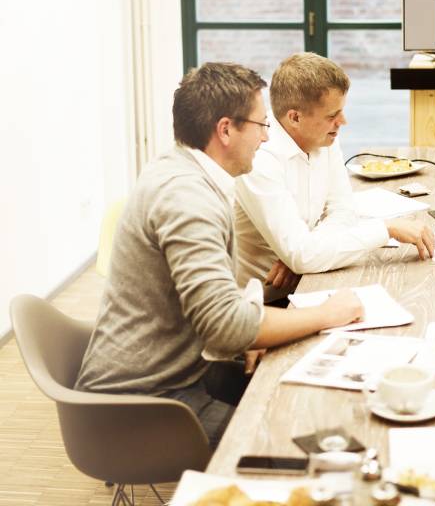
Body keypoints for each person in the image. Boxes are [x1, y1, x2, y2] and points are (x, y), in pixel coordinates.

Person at [75, 62, 364, 448]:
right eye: (262, 126)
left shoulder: (186, 172)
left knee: (310, 399)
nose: (266, 139)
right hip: (144, 402)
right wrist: (329, 313)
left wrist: (248, 327)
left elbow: (218, 313)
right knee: (291, 444)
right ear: (226, 129)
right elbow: (224, 326)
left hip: (181, 370)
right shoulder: (187, 199)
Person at [234, 53, 434, 301]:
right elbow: (303, 256)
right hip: (264, 305)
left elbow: (343, 212)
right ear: (295, 117)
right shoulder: (259, 159)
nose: (343, 122)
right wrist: (385, 229)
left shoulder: (324, 139)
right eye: (332, 116)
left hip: (317, 279)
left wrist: (305, 253)